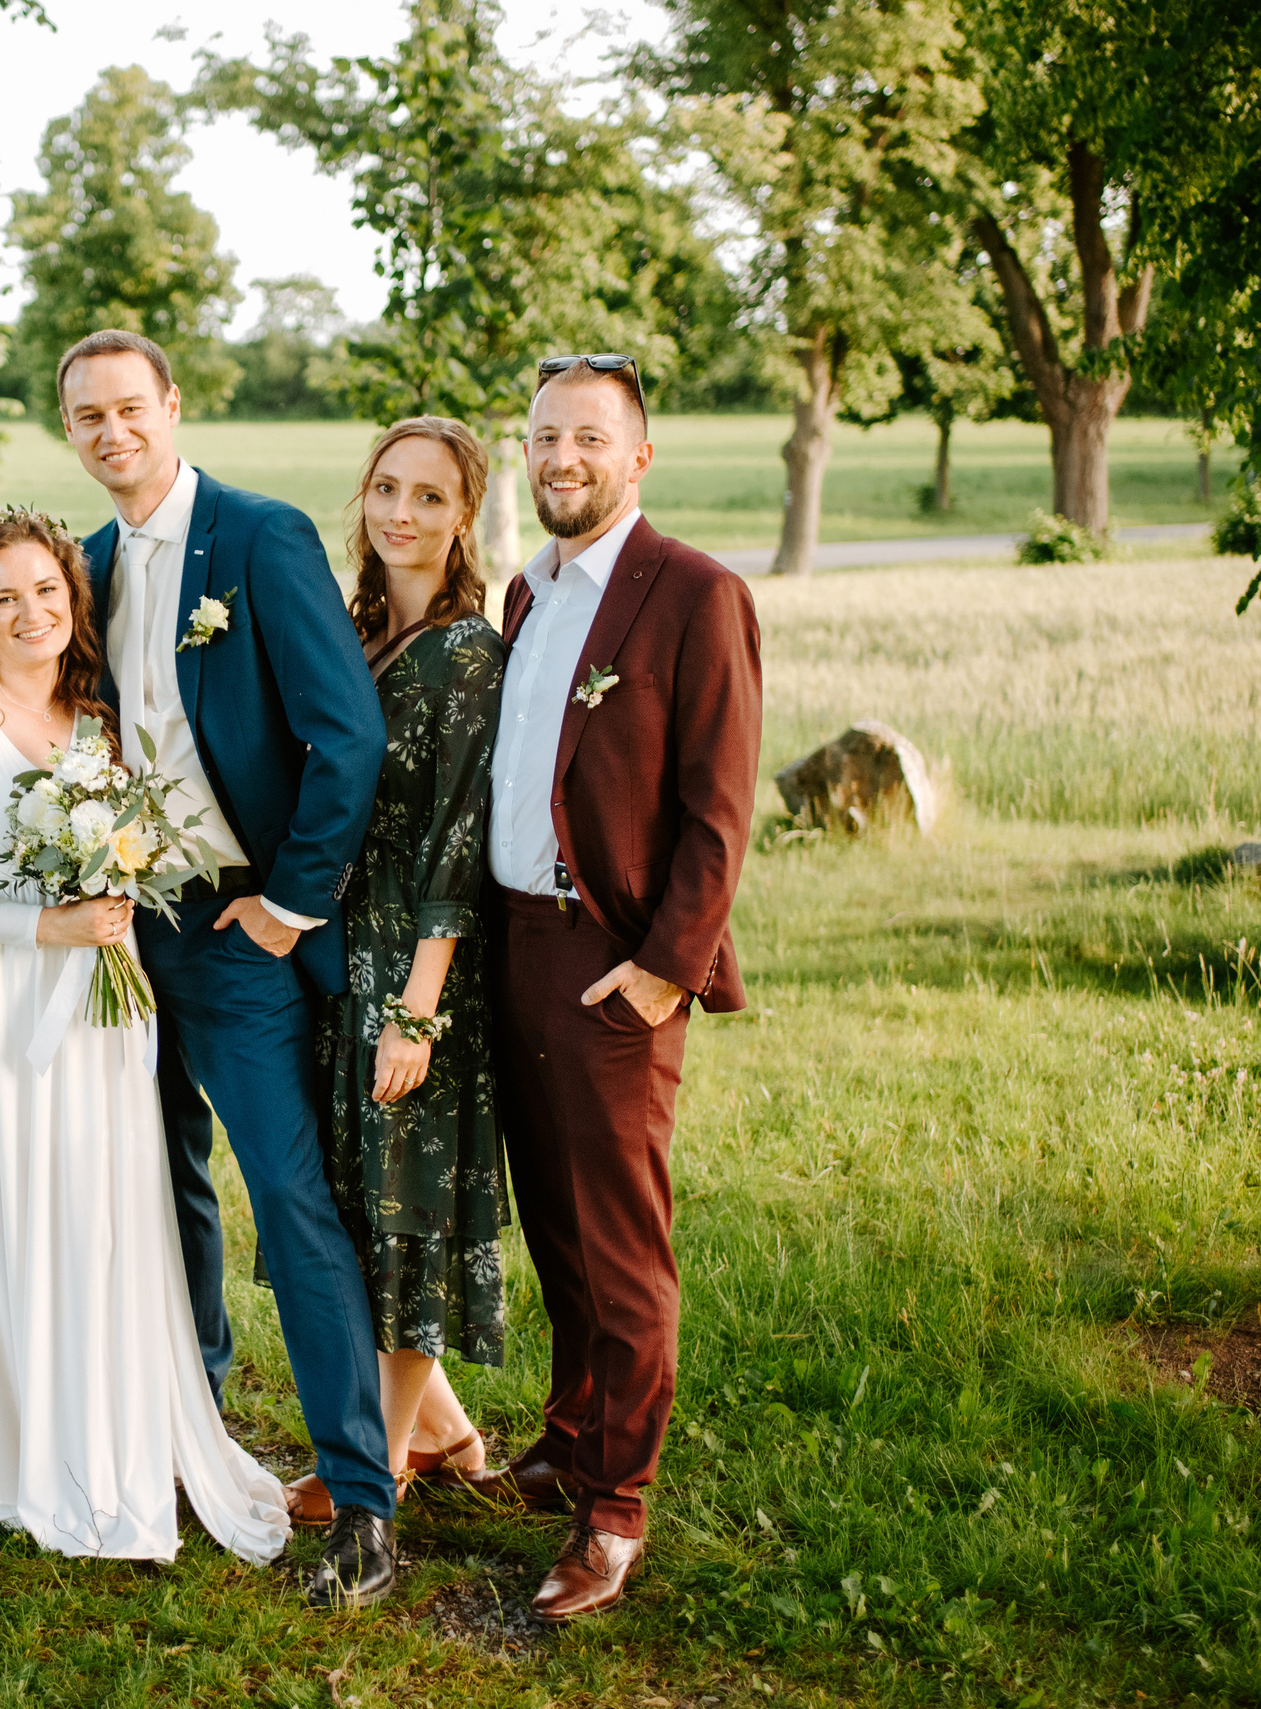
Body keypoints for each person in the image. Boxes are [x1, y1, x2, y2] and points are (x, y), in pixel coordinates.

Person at [60, 330, 396, 1608]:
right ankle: (187, 1427)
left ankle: (361, 1497)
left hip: (238, 931)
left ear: (171, 406)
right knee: (158, 1188)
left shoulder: (257, 537)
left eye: (128, 408)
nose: (111, 433)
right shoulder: (87, 565)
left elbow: (344, 733)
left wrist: (290, 903)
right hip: (121, 932)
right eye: (86, 417)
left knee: (290, 1200)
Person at [0, 508, 292, 1566]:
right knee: (5, 1203)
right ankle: (21, 1437)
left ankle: (113, 1415)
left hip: (100, 1008)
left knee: (100, 1204)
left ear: (75, 600)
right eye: (4, 597)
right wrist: (43, 925)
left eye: (46, 591)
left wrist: (104, 906)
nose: (30, 612)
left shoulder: (101, 725)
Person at [469, 355, 762, 1621]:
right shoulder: (526, 593)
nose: (562, 458)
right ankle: (569, 1434)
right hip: (512, 947)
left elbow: (719, 807)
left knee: (623, 1244)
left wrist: (661, 970)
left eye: (588, 437)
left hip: (612, 964)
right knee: (553, 1220)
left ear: (637, 456)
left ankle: (614, 1509)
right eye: (544, 437)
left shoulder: (694, 594)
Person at [279, 418, 510, 1525]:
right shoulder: (356, 631)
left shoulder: (469, 656)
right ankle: (449, 1432)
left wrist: (416, 1011)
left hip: (419, 967)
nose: (400, 513)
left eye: (427, 495)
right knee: (358, 1206)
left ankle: (373, 1465)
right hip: (343, 954)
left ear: (463, 516)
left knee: (407, 1211)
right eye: (384, 488)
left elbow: (459, 839)